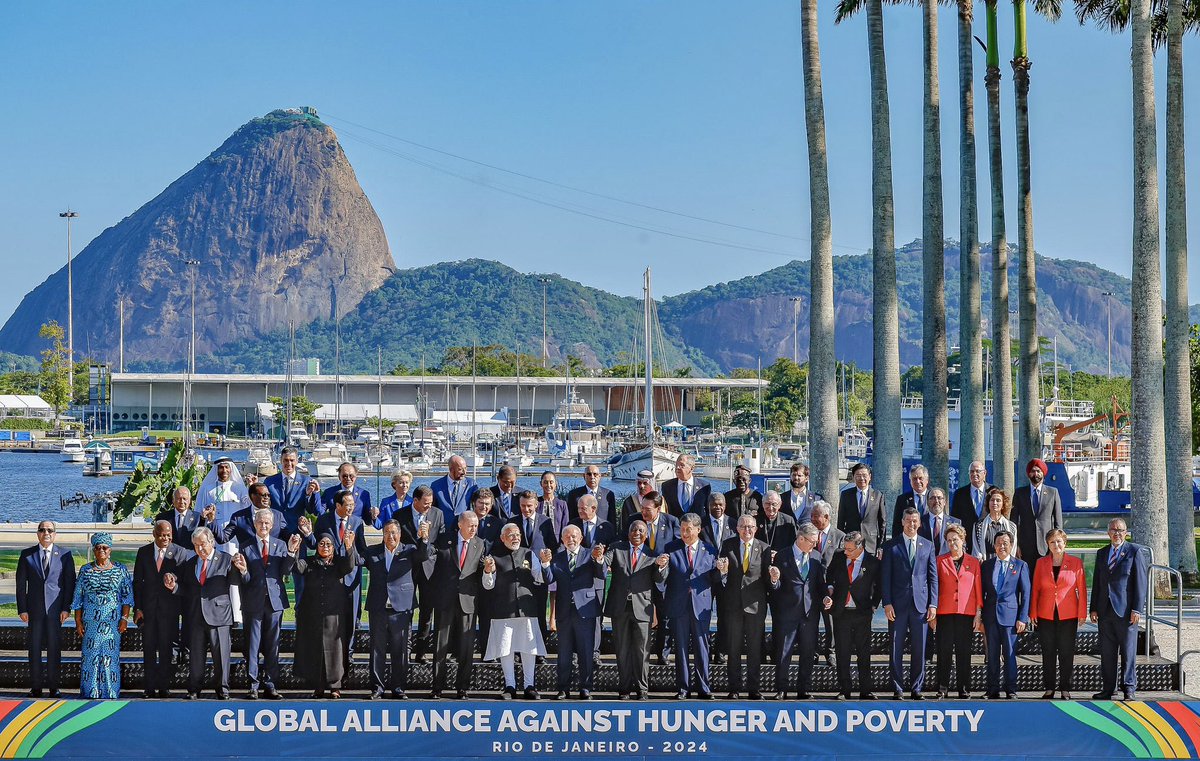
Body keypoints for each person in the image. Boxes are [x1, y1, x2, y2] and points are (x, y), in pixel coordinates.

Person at [164, 526, 249, 700]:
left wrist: (242, 570)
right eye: (196, 545)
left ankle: (223, 690)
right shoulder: (191, 563)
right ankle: (194, 689)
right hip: (196, 616)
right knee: (196, 656)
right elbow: (187, 589)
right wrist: (174, 587)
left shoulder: (225, 560)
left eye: (202, 544)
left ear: (211, 542)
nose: (200, 548)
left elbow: (240, 581)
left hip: (219, 616)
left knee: (221, 656)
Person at [363, 519, 433, 700]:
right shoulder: (373, 551)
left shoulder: (410, 550)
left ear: (400, 534)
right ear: (383, 534)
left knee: (400, 650)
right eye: (387, 532)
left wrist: (424, 538)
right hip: (378, 607)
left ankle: (398, 687)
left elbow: (424, 555)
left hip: (401, 608)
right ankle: (377, 687)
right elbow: (357, 560)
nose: (391, 536)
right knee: (377, 650)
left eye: (394, 532)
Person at [601, 520, 669, 699]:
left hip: (642, 608)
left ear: (646, 535)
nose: (637, 533)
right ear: (628, 532)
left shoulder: (653, 555)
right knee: (622, 650)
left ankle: (642, 689)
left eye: (641, 530)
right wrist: (598, 557)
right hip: (620, 608)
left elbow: (659, 580)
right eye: (633, 529)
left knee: (642, 651)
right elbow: (602, 564)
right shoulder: (617, 549)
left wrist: (661, 566)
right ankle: (624, 689)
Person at [302, 489, 368, 665]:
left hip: (351, 578)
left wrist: (353, 558)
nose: (351, 508)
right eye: (348, 505)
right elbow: (317, 545)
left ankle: (349, 654)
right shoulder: (324, 520)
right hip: (330, 580)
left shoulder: (357, 522)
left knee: (351, 617)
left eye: (353, 505)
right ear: (338, 505)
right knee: (331, 620)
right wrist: (308, 534)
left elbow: (363, 551)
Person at [239, 509, 300, 699]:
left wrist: (290, 551)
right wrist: (242, 571)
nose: (263, 526)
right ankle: (253, 685)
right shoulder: (245, 546)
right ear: (254, 524)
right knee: (252, 645)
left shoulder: (281, 545)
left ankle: (271, 684)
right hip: (253, 602)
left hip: (275, 602)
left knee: (273, 645)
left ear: (272, 525)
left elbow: (285, 571)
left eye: (267, 523)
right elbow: (246, 579)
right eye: (260, 523)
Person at [483, 524, 546, 699]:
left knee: (528, 648)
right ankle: (509, 685)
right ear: (503, 538)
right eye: (511, 535)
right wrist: (488, 571)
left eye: (517, 534)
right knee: (506, 649)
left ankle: (529, 685)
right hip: (503, 610)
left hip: (527, 609)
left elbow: (540, 577)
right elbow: (488, 585)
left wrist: (545, 563)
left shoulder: (529, 553)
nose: (515, 538)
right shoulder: (494, 556)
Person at [292, 529, 357, 698]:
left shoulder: (338, 565)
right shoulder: (310, 563)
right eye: (322, 544)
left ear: (334, 548)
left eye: (328, 544)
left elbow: (349, 566)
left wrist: (349, 547)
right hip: (312, 616)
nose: (325, 547)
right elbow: (298, 568)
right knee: (316, 651)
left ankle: (335, 686)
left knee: (335, 652)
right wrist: (295, 549)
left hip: (334, 616)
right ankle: (318, 686)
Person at [542, 525, 605, 699]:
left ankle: (586, 687)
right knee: (564, 652)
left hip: (585, 610)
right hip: (564, 611)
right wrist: (545, 564)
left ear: (581, 537)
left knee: (586, 651)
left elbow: (601, 575)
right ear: (562, 540)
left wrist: (599, 560)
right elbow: (549, 579)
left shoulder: (590, 554)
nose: (571, 539)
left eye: (574, 536)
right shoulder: (557, 557)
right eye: (567, 537)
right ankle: (563, 688)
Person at [881, 507, 938, 699]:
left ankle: (916, 688)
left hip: (921, 605)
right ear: (902, 522)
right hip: (897, 605)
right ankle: (897, 687)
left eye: (914, 521)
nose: (911, 524)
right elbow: (885, 577)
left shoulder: (928, 545)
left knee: (919, 648)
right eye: (908, 520)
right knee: (896, 647)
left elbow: (932, 577)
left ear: (919, 523)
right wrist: (887, 603)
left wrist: (933, 604)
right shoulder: (891, 546)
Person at [133, 520, 193, 698]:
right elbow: (137, 582)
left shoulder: (180, 552)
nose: (164, 538)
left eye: (168, 535)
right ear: (154, 534)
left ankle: (164, 686)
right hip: (149, 610)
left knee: (167, 650)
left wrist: (174, 584)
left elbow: (185, 583)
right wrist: (138, 608)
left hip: (170, 611)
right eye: (160, 535)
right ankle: (149, 687)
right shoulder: (143, 552)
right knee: (149, 649)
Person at [431, 511, 487, 698]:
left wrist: (488, 570)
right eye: (470, 525)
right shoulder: (444, 540)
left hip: (467, 602)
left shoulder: (480, 544)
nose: (474, 529)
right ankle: (437, 687)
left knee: (466, 647)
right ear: (460, 525)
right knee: (441, 646)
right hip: (444, 600)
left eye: (476, 526)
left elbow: (480, 571)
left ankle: (462, 687)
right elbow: (432, 565)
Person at [661, 513, 717, 699]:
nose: (684, 533)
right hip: (679, 606)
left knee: (702, 648)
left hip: (700, 606)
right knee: (681, 649)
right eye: (682, 529)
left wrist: (723, 572)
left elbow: (715, 580)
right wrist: (660, 567)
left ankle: (704, 687)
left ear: (698, 530)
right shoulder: (671, 548)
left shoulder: (710, 550)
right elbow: (663, 577)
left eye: (688, 529)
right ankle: (683, 688)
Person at [1090, 518, 1148, 701]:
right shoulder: (1102, 553)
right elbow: (1098, 583)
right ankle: (1109, 688)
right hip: (1105, 611)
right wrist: (1093, 608)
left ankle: (1129, 688)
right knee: (1107, 653)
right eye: (1114, 530)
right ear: (1108, 532)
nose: (1117, 533)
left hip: (1126, 612)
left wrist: (1137, 609)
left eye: (1120, 530)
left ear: (1126, 533)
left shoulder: (1134, 552)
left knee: (1128, 652)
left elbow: (1141, 583)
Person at [715, 514, 772, 699]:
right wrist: (722, 572)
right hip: (733, 606)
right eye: (743, 526)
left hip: (755, 606)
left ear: (756, 529)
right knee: (734, 648)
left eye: (750, 527)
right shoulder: (728, 545)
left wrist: (774, 578)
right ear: (737, 528)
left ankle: (754, 688)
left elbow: (766, 580)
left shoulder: (764, 548)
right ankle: (734, 688)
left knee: (755, 649)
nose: (747, 530)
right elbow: (722, 576)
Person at [17, 520, 76, 698]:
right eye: (42, 530)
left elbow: (69, 583)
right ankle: (35, 687)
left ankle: (53, 686)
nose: (46, 533)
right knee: (34, 648)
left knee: (54, 647)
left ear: (55, 534)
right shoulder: (27, 555)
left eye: (49, 530)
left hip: (56, 611)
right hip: (34, 611)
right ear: (37, 533)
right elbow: (21, 585)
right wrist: (22, 609)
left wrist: (66, 608)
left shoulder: (65, 555)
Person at [768, 522, 826, 700]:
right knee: (783, 652)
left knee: (808, 652)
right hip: (787, 613)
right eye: (812, 541)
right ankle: (781, 688)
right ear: (801, 538)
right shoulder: (783, 556)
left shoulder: (816, 557)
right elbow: (775, 587)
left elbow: (820, 584)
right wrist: (774, 579)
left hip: (809, 613)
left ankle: (804, 689)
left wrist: (826, 597)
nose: (815, 545)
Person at [72, 532, 133, 699]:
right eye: (97, 548)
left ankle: (110, 692)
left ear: (110, 550)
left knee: (109, 657)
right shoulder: (86, 570)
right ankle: (90, 692)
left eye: (104, 547)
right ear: (93, 550)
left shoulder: (120, 570)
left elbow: (127, 596)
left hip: (112, 622)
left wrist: (124, 619)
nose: (101, 550)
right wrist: (78, 621)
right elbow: (78, 597)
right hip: (91, 622)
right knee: (91, 656)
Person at [1030, 528, 1088, 700]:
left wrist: (1082, 613)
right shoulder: (1041, 563)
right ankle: (1049, 688)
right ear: (1048, 545)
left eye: (1059, 541)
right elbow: (1035, 589)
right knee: (1047, 652)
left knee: (1066, 651)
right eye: (1052, 542)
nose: (1056, 545)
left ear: (1065, 543)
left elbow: (1082, 589)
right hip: (1045, 613)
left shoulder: (1076, 563)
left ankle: (1065, 688)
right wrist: (1033, 611)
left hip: (1068, 614)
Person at [824, 532, 882, 700]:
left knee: (863, 653)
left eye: (849, 549)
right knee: (843, 653)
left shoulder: (872, 563)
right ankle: (845, 689)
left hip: (862, 613)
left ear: (860, 547)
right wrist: (830, 589)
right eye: (845, 548)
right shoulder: (838, 556)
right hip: (841, 613)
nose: (846, 552)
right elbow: (829, 575)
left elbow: (879, 587)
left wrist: (873, 606)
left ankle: (865, 690)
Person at [932, 524, 982, 699]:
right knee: (944, 652)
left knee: (964, 653)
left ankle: (964, 689)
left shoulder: (973, 562)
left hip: (965, 614)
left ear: (963, 540)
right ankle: (942, 688)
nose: (952, 543)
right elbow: (934, 587)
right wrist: (933, 613)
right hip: (944, 613)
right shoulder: (939, 560)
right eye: (949, 540)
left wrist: (978, 613)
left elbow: (978, 588)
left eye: (956, 539)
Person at [396, 484, 444, 662]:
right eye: (425, 503)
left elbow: (440, 542)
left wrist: (426, 548)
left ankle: (421, 652)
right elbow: (397, 543)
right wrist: (416, 545)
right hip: (407, 569)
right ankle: (404, 650)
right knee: (405, 610)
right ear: (415, 500)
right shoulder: (400, 516)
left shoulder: (437, 514)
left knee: (426, 612)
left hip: (429, 569)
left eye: (430, 503)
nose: (428, 506)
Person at [981, 530, 1030, 699]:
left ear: (1011, 545)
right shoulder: (986, 566)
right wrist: (980, 616)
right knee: (992, 655)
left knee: (1009, 655)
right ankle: (992, 689)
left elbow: (1026, 593)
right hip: (990, 617)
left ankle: (1011, 689)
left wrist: (1023, 618)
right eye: (999, 543)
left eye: (1005, 543)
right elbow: (981, 593)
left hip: (1010, 618)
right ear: (994, 546)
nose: (1002, 546)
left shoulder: (1020, 565)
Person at [507, 490, 558, 642]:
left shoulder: (545, 521)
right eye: (523, 506)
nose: (526, 509)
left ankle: (540, 651)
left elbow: (553, 546)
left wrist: (547, 559)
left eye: (529, 506)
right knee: (517, 615)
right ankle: (517, 652)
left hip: (539, 576)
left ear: (536, 504)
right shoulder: (512, 521)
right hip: (518, 576)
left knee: (539, 613)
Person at [640, 491, 680, 663]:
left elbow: (678, 547)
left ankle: (662, 653)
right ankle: (642, 652)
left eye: (648, 509)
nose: (644, 512)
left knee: (665, 618)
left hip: (664, 578)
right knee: (642, 616)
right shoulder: (635, 521)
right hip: (641, 577)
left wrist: (665, 561)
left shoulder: (671, 522)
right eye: (642, 508)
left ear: (658, 508)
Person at [811, 501, 844, 667]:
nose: (813, 519)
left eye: (816, 516)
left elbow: (841, 565)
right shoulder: (808, 533)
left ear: (826, 517)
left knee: (830, 622)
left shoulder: (839, 536)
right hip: (811, 586)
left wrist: (834, 586)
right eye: (812, 516)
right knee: (811, 622)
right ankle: (813, 653)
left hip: (830, 587)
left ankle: (831, 652)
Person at [1012, 459, 1063, 562]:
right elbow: (1014, 521)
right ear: (1028, 474)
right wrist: (1015, 545)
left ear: (1043, 473)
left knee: (1045, 577)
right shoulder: (1019, 493)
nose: (1035, 474)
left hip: (1046, 546)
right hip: (1025, 547)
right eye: (1033, 471)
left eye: (1038, 471)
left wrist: (1056, 544)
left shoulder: (1053, 492)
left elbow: (1058, 521)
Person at [264, 446, 318, 535]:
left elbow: (311, 510)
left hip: (297, 532)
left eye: (292, 460)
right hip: (275, 532)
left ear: (297, 461)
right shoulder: (269, 482)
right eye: (286, 460)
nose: (289, 463)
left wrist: (309, 495)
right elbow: (264, 505)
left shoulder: (306, 481)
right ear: (281, 460)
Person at [837, 463, 887, 556]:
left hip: (871, 543)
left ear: (870, 476)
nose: (862, 479)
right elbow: (841, 520)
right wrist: (842, 542)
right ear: (853, 477)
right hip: (851, 544)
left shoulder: (878, 495)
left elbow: (882, 523)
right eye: (858, 476)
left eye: (864, 475)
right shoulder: (846, 495)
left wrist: (881, 545)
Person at [220, 482, 287, 548]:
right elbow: (223, 538)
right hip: (248, 558)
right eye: (263, 495)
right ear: (252, 496)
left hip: (273, 558)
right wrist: (211, 521)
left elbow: (287, 536)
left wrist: (297, 530)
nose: (267, 497)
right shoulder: (238, 517)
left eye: (268, 495)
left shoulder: (278, 515)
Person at [951, 461, 991, 555]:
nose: (974, 474)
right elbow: (955, 519)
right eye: (971, 472)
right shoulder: (960, 494)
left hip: (988, 543)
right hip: (967, 545)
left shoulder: (992, 491)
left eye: (977, 471)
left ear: (984, 473)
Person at [973, 487, 1018, 561]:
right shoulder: (978, 526)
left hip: (1005, 566)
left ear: (1003, 504)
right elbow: (976, 550)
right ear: (988, 503)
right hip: (985, 565)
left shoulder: (1012, 526)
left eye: (998, 500)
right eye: (992, 500)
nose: (995, 503)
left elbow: (1013, 549)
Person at [431, 455, 478, 522]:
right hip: (444, 528)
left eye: (465, 468)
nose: (464, 472)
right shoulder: (436, 485)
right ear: (451, 469)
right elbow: (432, 510)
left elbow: (477, 504)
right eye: (460, 469)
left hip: (463, 528)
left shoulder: (471, 484)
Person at [891, 464, 932, 540]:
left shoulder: (934, 498)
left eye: (920, 478)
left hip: (930, 543)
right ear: (910, 481)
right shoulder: (902, 499)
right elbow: (897, 525)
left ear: (927, 480)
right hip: (909, 541)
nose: (918, 481)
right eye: (914, 479)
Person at [919, 488, 960, 558]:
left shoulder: (955, 522)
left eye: (939, 498)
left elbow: (961, 545)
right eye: (933, 498)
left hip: (948, 564)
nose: (936, 501)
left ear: (944, 502)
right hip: (926, 564)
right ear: (928, 502)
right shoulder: (919, 522)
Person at [538, 471, 570, 539]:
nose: (548, 485)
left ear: (556, 484)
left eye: (551, 482)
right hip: (539, 542)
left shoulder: (562, 504)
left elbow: (565, 526)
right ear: (541, 484)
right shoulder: (536, 503)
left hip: (557, 544)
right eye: (545, 482)